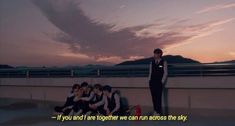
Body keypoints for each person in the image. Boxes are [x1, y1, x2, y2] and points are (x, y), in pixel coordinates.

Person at [148, 48, 168, 115]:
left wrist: (162, 81)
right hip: (152, 82)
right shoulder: (152, 62)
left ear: (159, 54)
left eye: (156, 53)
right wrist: (149, 80)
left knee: (159, 97)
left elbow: (165, 73)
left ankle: (158, 112)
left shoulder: (163, 62)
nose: (154, 55)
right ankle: (155, 111)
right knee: (153, 97)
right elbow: (150, 72)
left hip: (159, 82)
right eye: (154, 53)